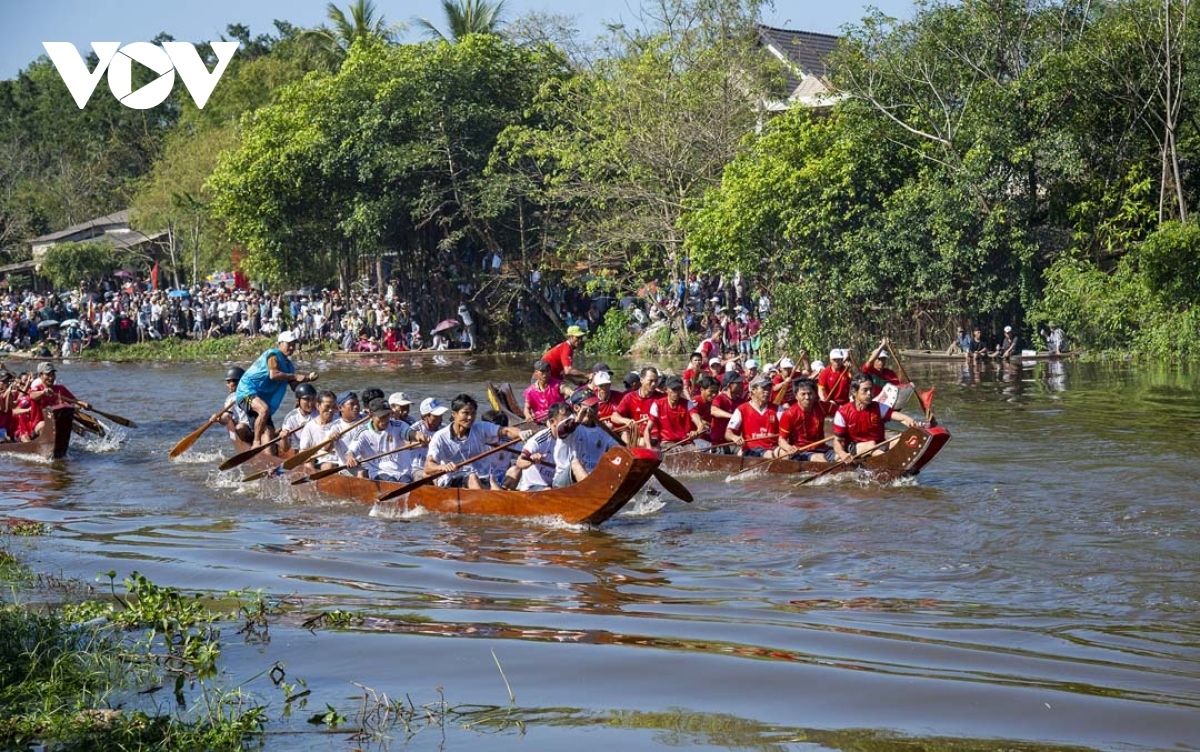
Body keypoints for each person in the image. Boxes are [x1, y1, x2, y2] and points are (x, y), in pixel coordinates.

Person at [425, 393, 531, 489]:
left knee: (516, 470)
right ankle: (488, 504)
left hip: (484, 478)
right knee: (472, 477)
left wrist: (520, 433)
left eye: (473, 413)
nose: (470, 417)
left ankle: (497, 499)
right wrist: (442, 467)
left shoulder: (480, 428)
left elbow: (505, 431)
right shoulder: (440, 437)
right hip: (453, 480)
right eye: (465, 413)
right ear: (454, 414)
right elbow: (428, 467)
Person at [235, 330, 319, 446]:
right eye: (288, 344)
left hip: (261, 397)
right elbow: (273, 375)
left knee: (268, 432)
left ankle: (264, 446)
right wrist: (295, 376)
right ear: (280, 344)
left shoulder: (289, 366)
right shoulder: (273, 355)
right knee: (264, 409)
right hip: (246, 393)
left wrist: (307, 379)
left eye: (293, 345)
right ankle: (256, 442)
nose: (291, 347)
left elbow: (294, 387)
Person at [831, 373, 927, 462]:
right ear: (854, 392)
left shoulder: (879, 407)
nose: (869, 393)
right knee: (871, 444)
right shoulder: (842, 413)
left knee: (899, 441)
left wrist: (913, 423)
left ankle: (898, 461)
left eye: (871, 389)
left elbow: (902, 418)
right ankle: (890, 462)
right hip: (855, 447)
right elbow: (837, 441)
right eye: (865, 390)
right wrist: (842, 454)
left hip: (878, 444)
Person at [555, 391, 622, 486]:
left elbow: (618, 450)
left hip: (593, 477)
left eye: (595, 406)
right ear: (576, 408)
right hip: (564, 481)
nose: (593, 410)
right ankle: (593, 490)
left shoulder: (602, 430)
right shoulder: (569, 424)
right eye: (589, 407)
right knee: (576, 463)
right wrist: (578, 420)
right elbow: (562, 430)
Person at [504, 402, 573, 491]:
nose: (568, 425)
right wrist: (532, 461)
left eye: (570, 421)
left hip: (556, 484)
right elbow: (519, 462)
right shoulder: (539, 440)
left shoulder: (573, 436)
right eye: (564, 421)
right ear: (552, 422)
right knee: (548, 490)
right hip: (534, 487)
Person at [345, 399, 413, 482]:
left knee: (406, 482)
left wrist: (418, 435)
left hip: (402, 472)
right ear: (371, 416)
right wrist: (350, 458)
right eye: (381, 417)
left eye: (387, 415)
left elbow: (410, 432)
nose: (385, 420)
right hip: (378, 472)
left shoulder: (399, 425)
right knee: (391, 480)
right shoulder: (363, 433)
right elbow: (350, 451)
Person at [776, 378, 834, 462]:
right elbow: (781, 440)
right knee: (821, 458)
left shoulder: (822, 406)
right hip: (802, 451)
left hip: (822, 448)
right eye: (803, 394)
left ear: (815, 395)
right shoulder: (789, 414)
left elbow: (843, 413)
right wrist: (789, 448)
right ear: (796, 396)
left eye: (810, 394)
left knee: (841, 457)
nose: (807, 397)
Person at [27, 362, 90, 439]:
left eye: (53, 374)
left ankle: (92, 443)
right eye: (48, 375)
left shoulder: (61, 389)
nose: (51, 378)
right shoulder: (36, 388)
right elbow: (32, 396)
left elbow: (74, 401)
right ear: (40, 375)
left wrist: (83, 405)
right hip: (39, 424)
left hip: (56, 422)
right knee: (44, 425)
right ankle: (45, 445)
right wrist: (43, 392)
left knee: (73, 426)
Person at [725, 376, 780, 457]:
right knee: (769, 454)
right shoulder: (741, 409)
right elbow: (728, 433)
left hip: (773, 448)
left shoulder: (778, 409)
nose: (767, 392)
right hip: (752, 449)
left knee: (785, 453)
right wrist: (734, 437)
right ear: (753, 390)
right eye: (764, 389)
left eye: (769, 389)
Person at [645, 375, 705, 448]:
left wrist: (697, 432)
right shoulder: (657, 405)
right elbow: (648, 429)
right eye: (673, 389)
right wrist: (649, 447)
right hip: (666, 443)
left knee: (697, 457)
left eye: (679, 389)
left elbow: (700, 425)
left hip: (686, 442)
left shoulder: (689, 404)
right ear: (666, 389)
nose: (676, 392)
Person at [295, 390, 342, 470]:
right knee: (310, 464)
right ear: (318, 406)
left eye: (333, 407)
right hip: (322, 462)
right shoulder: (310, 426)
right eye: (327, 407)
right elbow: (303, 451)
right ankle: (313, 479)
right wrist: (307, 457)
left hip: (342, 461)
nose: (330, 410)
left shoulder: (341, 421)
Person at [707, 371, 744, 453]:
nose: (741, 384)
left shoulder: (741, 401)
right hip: (719, 444)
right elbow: (714, 411)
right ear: (729, 385)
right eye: (737, 383)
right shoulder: (720, 398)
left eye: (740, 382)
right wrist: (734, 416)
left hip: (735, 443)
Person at [279, 382, 319, 453]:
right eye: (307, 399)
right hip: (301, 451)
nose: (311, 403)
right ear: (298, 400)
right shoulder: (291, 418)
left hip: (319, 448)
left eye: (313, 399)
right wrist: (284, 438)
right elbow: (285, 449)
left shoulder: (320, 411)